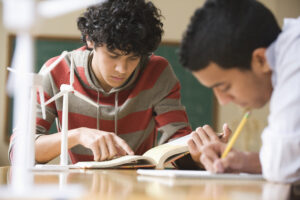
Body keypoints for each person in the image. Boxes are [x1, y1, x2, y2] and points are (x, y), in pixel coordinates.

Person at [9, 0, 192, 164]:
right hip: (79, 187)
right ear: (90, 39)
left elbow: (178, 141)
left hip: (138, 187)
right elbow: (19, 150)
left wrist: (199, 150)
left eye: (133, 58)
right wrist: (76, 135)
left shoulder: (156, 72)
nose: (122, 69)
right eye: (113, 56)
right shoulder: (57, 71)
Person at [179, 0, 300, 183]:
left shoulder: (295, 59)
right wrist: (243, 161)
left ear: (260, 59)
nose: (223, 101)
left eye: (225, 87)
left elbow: (280, 168)